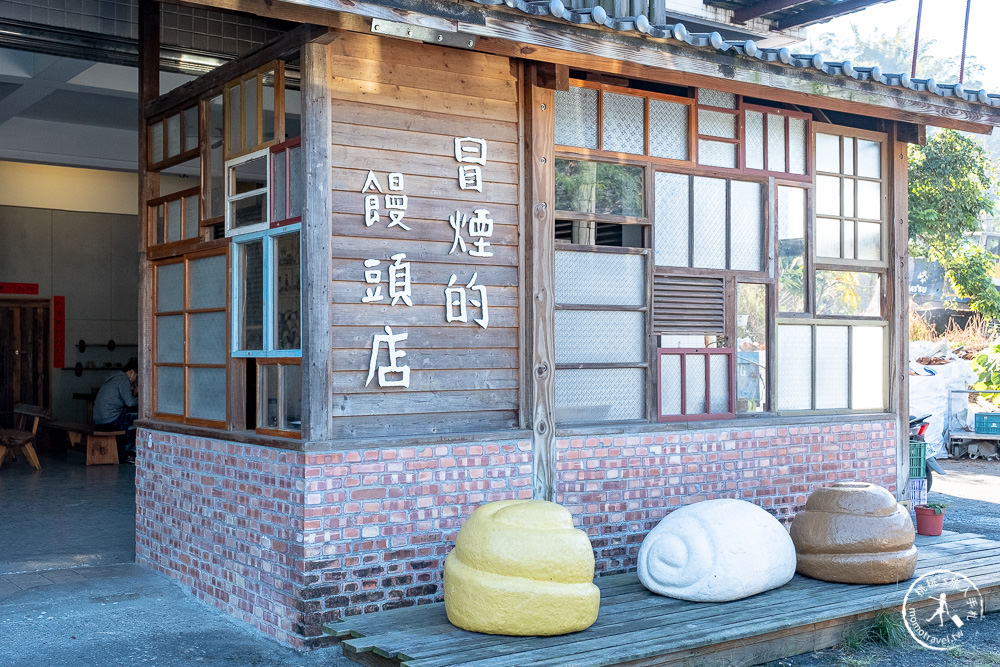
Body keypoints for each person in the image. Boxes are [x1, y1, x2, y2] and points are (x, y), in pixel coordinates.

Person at [93, 358, 138, 462]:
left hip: (99, 420)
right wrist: (143, 399)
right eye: (136, 375)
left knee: (128, 418)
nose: (135, 379)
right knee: (139, 420)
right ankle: (130, 454)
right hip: (110, 420)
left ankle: (124, 452)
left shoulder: (113, 378)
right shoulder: (124, 380)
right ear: (131, 372)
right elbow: (130, 403)